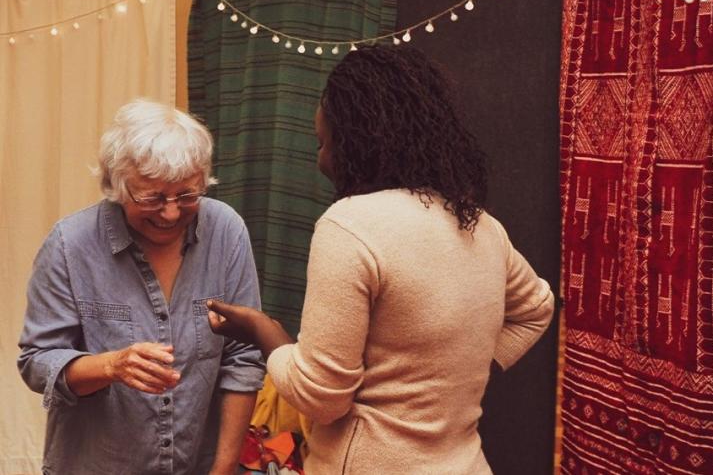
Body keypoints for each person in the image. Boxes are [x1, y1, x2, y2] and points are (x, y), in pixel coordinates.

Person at [205, 45, 555, 474]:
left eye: (323, 144)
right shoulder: (480, 225)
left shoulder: (351, 225)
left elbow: (323, 397)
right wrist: (452, 376)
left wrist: (265, 333)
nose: (319, 160)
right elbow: (537, 308)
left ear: (356, 144)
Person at [17, 99, 266, 474]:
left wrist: (224, 467)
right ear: (116, 187)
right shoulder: (70, 244)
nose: (170, 213)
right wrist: (111, 366)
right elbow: (37, 363)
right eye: (151, 198)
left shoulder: (226, 231)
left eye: (188, 195)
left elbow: (243, 359)